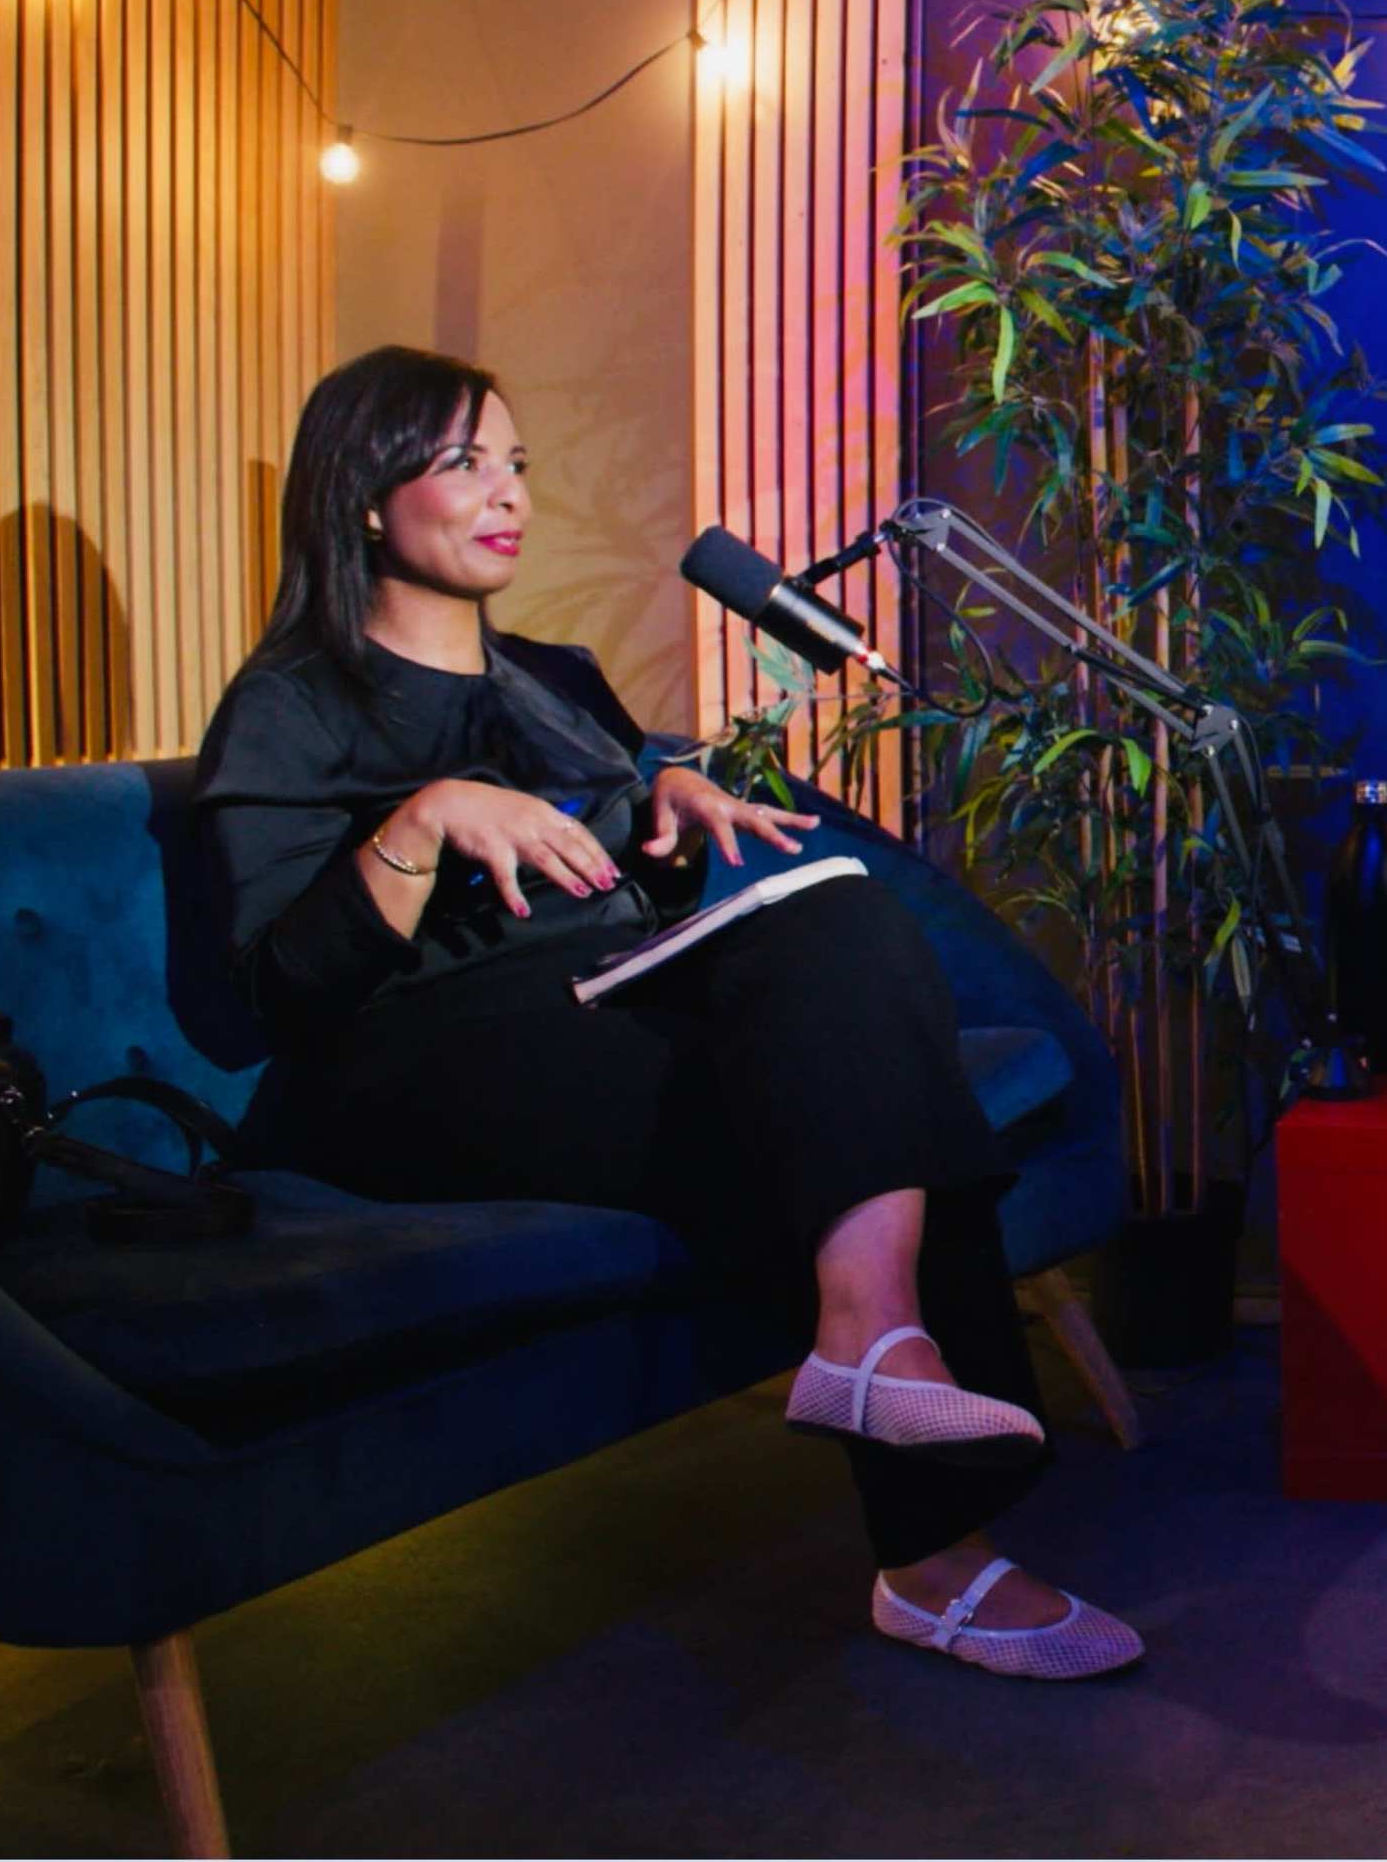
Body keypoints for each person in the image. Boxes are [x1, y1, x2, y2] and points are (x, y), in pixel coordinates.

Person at [191, 344, 1141, 1682]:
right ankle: (933, 1546)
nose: (505, 491)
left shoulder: (555, 680)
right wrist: (422, 820)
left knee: (848, 926)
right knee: (865, 1096)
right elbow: (270, 994)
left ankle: (876, 1357)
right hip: (410, 1066)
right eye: (463, 461)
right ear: (364, 494)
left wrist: (670, 825)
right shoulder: (297, 701)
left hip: (593, 1012)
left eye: (513, 462)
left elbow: (597, 891)